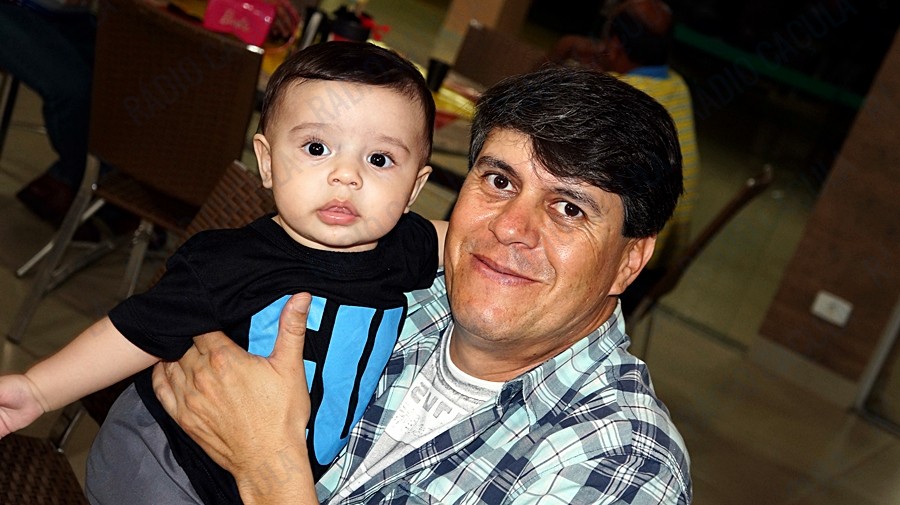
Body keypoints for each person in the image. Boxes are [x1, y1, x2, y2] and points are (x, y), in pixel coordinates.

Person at [153, 65, 693, 504]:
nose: (510, 227)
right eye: (499, 181)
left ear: (629, 261)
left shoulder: (622, 466)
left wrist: (269, 467)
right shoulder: (385, 283)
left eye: (569, 208)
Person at [0, 41, 447, 504]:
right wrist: (38, 390)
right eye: (316, 148)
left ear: (414, 188)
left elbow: (470, 240)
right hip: (164, 464)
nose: (346, 175)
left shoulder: (407, 248)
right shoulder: (231, 261)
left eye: (379, 159)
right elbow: (136, 330)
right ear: (268, 162)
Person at [2, 0, 299, 230]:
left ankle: (84, 183)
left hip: (68, 16)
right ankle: (87, 183)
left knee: (137, 76)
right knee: (76, 90)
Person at [547, 0, 700, 315]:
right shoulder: (677, 86)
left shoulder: (615, 97)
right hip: (658, 266)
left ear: (616, 44)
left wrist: (561, 51)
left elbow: (526, 124)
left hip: (621, 276)